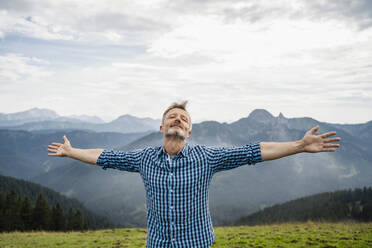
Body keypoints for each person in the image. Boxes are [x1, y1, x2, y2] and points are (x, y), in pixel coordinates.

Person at [47, 101, 341, 247]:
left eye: (184, 118)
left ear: (189, 131)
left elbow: (255, 151)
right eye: (171, 117)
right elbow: (106, 157)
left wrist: (300, 146)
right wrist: (72, 152)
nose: (178, 119)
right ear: (162, 128)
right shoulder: (145, 158)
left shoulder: (206, 157)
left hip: (198, 243)